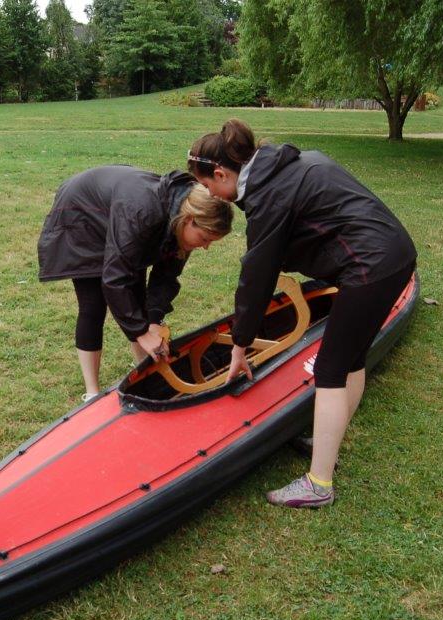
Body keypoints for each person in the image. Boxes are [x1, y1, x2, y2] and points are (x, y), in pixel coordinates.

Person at [187, 119, 417, 509]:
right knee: (352, 358)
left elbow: (257, 278)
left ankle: (319, 484)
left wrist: (239, 346)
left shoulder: (268, 196)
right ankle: (327, 443)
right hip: (395, 257)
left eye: (209, 186)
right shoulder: (289, 164)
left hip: (369, 267)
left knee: (328, 370)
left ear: (223, 173)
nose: (213, 194)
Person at [38, 165, 233, 401]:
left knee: (138, 302)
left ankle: (147, 373)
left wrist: (152, 322)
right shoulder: (143, 214)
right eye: (204, 238)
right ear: (190, 220)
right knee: (93, 305)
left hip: (121, 214)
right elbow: (115, 278)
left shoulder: (180, 218)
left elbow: (166, 277)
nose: (205, 246)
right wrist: (141, 332)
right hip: (83, 213)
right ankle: (92, 393)